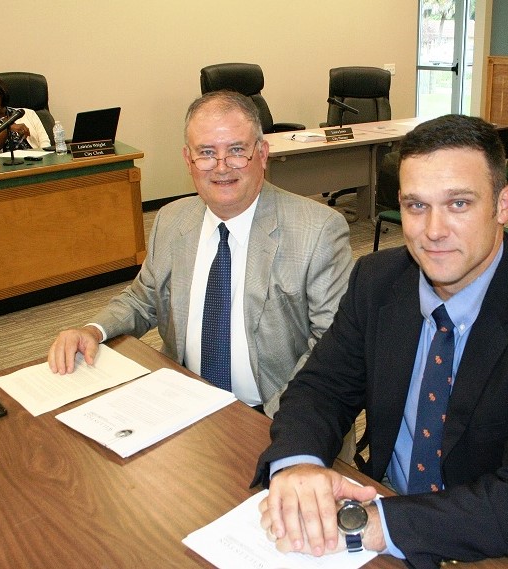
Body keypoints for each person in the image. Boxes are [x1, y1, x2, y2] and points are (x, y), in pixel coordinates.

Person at [253, 114, 508, 568]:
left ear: (504, 204)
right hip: (396, 507)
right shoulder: (377, 280)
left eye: (459, 204)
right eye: (415, 206)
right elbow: (322, 387)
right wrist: (299, 463)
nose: (433, 230)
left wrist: (370, 523)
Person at [48, 90, 353, 420]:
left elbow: (331, 346)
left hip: (274, 413)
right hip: (183, 403)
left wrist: (266, 423)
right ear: (188, 160)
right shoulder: (171, 220)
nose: (221, 168)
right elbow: (142, 300)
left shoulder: (319, 230)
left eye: (236, 150)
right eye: (206, 153)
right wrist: (92, 331)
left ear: (263, 154)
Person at [0, 77, 50, 152]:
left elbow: (45, 142)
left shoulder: (28, 113)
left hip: (37, 159)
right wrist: (7, 130)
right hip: (5, 162)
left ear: (1, 94)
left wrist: (45, 157)